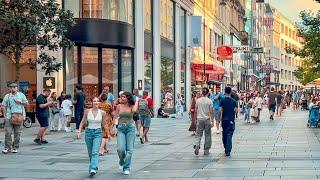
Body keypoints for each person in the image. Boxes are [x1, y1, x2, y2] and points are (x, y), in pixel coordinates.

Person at [77, 97, 108, 177]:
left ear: (99, 103)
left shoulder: (102, 112)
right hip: (88, 132)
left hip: (98, 132)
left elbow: (104, 124)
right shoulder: (87, 111)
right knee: (90, 153)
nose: (96, 102)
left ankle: (93, 168)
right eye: (94, 101)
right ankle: (93, 167)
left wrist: (108, 134)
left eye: (97, 101)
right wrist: (79, 131)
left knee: (95, 152)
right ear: (92, 103)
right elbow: (83, 121)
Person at [114, 92, 139, 175]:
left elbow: (134, 110)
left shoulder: (132, 106)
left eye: (124, 97)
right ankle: (121, 160)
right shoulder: (119, 106)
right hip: (121, 128)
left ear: (128, 98)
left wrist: (137, 101)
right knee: (120, 149)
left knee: (129, 150)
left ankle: (126, 167)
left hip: (130, 128)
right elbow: (115, 116)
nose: (121, 98)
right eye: (121, 97)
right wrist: (112, 128)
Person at [2, 83, 28, 154]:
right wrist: (4, 116)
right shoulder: (7, 96)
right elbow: (3, 106)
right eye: (11, 87)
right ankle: (7, 148)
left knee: (17, 133)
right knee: (8, 133)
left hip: (19, 117)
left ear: (17, 88)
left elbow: (26, 104)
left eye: (14, 87)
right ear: (9, 89)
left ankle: (15, 147)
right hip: (9, 117)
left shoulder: (21, 95)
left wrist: (20, 102)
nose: (12, 88)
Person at [193, 87, 214, 156]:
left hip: (200, 119)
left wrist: (195, 120)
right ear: (208, 93)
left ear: (202, 93)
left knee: (198, 134)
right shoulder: (209, 101)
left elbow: (196, 110)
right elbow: (211, 112)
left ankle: (197, 144)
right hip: (207, 120)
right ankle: (206, 150)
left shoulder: (198, 100)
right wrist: (212, 121)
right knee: (207, 135)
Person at [219, 87, 238, 157]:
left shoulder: (222, 100)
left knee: (224, 134)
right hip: (231, 120)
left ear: (225, 92)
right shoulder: (234, 101)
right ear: (230, 92)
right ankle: (228, 150)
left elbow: (220, 110)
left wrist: (219, 118)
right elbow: (236, 111)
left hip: (224, 120)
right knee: (229, 134)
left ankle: (225, 147)